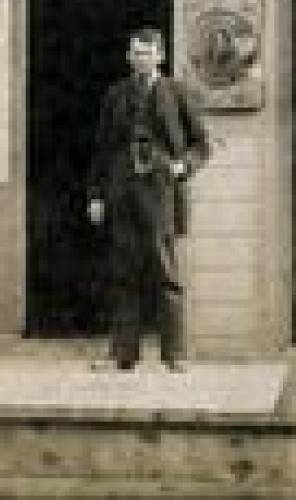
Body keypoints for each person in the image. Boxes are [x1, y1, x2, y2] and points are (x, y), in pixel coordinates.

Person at [84, 25, 212, 371]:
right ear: (128, 57)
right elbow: (102, 150)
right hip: (121, 193)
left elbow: (202, 145)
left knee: (165, 272)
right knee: (124, 273)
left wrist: (182, 166)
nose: (140, 59)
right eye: (135, 53)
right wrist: (96, 195)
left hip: (160, 193)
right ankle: (123, 356)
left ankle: (175, 355)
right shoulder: (116, 95)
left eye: (147, 53)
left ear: (160, 56)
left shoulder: (177, 93)